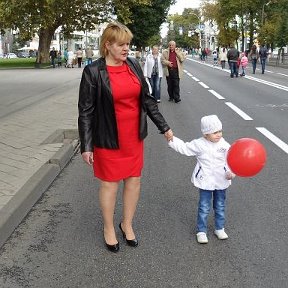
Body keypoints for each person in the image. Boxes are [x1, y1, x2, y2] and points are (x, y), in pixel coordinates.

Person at [78, 22, 173, 253]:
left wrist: (164, 127)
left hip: (133, 137)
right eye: (121, 44)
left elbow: (147, 99)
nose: (126, 49)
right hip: (108, 137)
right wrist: (86, 145)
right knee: (110, 184)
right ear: (107, 45)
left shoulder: (133, 65)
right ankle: (109, 227)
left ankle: (126, 223)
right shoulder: (93, 72)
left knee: (134, 180)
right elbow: (86, 111)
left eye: (128, 44)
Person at [168, 115, 235, 244]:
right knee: (204, 207)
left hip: (221, 181)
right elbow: (184, 148)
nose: (218, 135)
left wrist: (230, 172)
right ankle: (201, 231)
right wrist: (172, 140)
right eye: (214, 132)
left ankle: (219, 228)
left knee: (220, 206)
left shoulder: (225, 145)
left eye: (220, 131)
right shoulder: (199, 144)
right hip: (205, 181)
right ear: (205, 134)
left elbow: (230, 161)